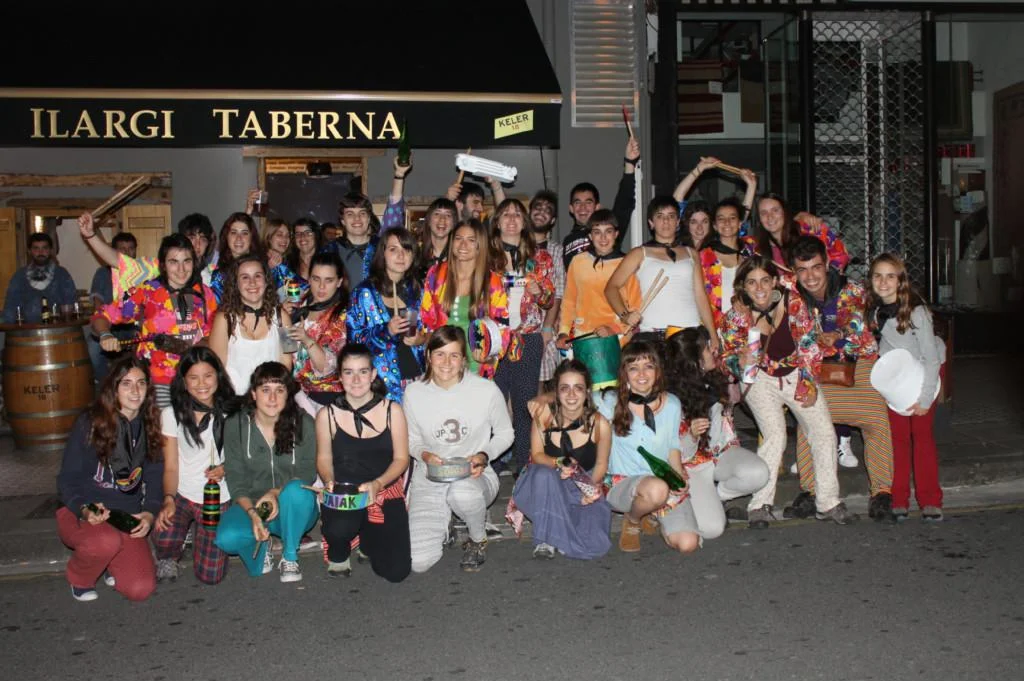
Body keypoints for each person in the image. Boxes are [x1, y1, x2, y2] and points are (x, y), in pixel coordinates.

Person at [719, 256, 857, 528]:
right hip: (759, 378)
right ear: (742, 286)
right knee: (775, 435)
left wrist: (808, 383)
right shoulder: (735, 316)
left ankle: (828, 502)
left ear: (775, 281)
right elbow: (726, 359)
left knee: (823, 432)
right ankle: (760, 505)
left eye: (765, 280)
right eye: (751, 282)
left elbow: (809, 346)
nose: (759, 288)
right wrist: (739, 361)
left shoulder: (794, 303)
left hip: (796, 372)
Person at [787, 236, 895, 522]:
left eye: (816, 267)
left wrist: (839, 334)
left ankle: (882, 493)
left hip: (857, 363)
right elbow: (799, 339)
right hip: (817, 366)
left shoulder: (851, 289)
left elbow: (857, 321)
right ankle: (810, 492)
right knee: (807, 417)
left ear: (827, 265)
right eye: (802, 270)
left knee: (877, 420)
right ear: (795, 271)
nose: (810, 277)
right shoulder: (793, 299)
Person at [403, 326, 514, 573]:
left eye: (454, 355)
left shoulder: (486, 390)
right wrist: (423, 454)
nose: (446, 363)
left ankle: (477, 539)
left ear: (464, 359)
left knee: (461, 493)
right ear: (428, 356)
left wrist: (484, 455)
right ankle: (445, 523)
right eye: (440, 354)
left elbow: (506, 434)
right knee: (418, 562)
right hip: (430, 476)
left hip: (473, 475)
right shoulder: (414, 392)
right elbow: (410, 439)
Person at [55, 357, 163, 602]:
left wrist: (149, 513)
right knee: (104, 541)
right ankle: (80, 577)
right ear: (113, 388)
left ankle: (108, 561)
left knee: (140, 589)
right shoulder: (90, 422)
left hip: (124, 515)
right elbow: (67, 479)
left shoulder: (149, 424)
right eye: (126, 383)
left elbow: (156, 476)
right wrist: (84, 508)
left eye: (141, 383)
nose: (135, 391)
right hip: (83, 508)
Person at [216, 362, 319, 582]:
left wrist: (275, 493)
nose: (272, 398)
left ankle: (290, 555)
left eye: (279, 390)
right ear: (253, 394)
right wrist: (254, 515)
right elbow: (235, 477)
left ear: (288, 394)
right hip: (254, 504)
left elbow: (307, 471)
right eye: (265, 390)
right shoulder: (236, 424)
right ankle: (263, 545)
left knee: (297, 490)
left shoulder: (303, 423)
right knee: (227, 538)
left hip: (292, 506)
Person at [592, 340, 697, 554]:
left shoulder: (672, 404)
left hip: (662, 481)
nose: (641, 374)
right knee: (656, 489)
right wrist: (544, 399)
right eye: (633, 368)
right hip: (622, 484)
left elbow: (673, 446)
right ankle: (633, 520)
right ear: (624, 373)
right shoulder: (609, 401)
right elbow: (570, 398)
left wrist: (679, 476)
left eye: (648, 366)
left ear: (657, 371)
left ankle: (652, 511)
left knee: (688, 544)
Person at [316, 344, 411, 581]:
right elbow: (324, 458)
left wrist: (378, 483)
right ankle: (339, 552)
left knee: (396, 572)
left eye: (363, 371)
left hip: (384, 489)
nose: (356, 379)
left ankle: (367, 540)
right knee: (340, 528)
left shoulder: (393, 410)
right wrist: (329, 481)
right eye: (349, 372)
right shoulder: (327, 414)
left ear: (373, 374)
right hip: (345, 493)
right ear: (340, 377)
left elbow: (402, 459)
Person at [664, 327, 769, 539]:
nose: (713, 349)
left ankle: (716, 496)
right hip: (691, 465)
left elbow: (739, 374)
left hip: (721, 453)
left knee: (758, 473)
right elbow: (676, 454)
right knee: (711, 529)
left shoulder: (714, 376)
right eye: (706, 348)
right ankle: (672, 503)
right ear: (695, 360)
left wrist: (743, 364)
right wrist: (692, 435)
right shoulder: (670, 398)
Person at [92, 233, 218, 408]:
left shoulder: (205, 294)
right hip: (158, 381)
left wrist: (202, 344)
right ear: (163, 265)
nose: (181, 269)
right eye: (173, 262)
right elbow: (102, 315)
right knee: (162, 424)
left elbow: (215, 334)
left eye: (186, 261)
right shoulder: (147, 292)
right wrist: (105, 335)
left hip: (196, 381)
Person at [868, 253, 946, 522]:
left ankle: (930, 500)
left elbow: (931, 358)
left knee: (921, 436)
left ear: (900, 280)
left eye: (890, 276)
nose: (883, 282)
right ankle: (899, 499)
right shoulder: (875, 311)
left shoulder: (916, 311)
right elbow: (885, 349)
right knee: (898, 438)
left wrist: (925, 398)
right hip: (900, 378)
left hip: (926, 372)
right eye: (878, 276)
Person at [510, 360, 612, 560]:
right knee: (544, 475)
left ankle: (560, 530)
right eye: (565, 388)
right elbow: (537, 455)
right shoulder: (544, 415)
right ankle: (545, 538)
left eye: (578, 388)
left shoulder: (600, 424)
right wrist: (558, 463)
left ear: (587, 392)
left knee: (594, 544)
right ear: (556, 392)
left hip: (580, 485)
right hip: (544, 486)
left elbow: (601, 464)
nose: (571, 395)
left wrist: (587, 489)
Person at [152, 347, 236, 584]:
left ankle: (201, 534)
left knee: (210, 576)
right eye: (193, 377)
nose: (202, 384)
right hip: (183, 492)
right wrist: (168, 498)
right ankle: (168, 554)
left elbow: (244, 457)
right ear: (184, 381)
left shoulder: (233, 412)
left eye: (208, 375)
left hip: (217, 496)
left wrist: (226, 467)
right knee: (164, 531)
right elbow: (171, 466)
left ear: (218, 376)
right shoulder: (171, 414)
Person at [490, 198, 556, 473]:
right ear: (497, 221)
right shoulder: (485, 256)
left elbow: (550, 299)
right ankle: (490, 467)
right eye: (505, 214)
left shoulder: (540, 258)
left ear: (524, 222)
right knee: (492, 405)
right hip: (493, 339)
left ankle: (525, 468)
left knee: (524, 406)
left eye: (517, 214)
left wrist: (541, 294)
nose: (511, 219)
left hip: (528, 339)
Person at [604, 197, 718, 348]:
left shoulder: (691, 253)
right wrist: (625, 315)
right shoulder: (639, 253)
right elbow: (611, 287)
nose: (666, 221)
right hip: (654, 334)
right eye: (660, 216)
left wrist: (713, 335)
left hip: (691, 332)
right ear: (651, 223)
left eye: (671, 216)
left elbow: (700, 295)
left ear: (678, 222)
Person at [419, 219, 510, 379]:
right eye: (458, 238)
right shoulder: (436, 273)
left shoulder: (492, 281)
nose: (463, 245)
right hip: (441, 365)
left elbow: (502, 329)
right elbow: (426, 318)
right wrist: (429, 348)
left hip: (476, 366)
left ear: (480, 245)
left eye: (471, 240)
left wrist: (489, 357)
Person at [346, 228, 426, 403]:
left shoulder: (417, 290)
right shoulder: (364, 293)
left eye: (406, 249)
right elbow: (354, 342)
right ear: (382, 253)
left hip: (419, 380)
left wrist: (421, 339)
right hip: (383, 385)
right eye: (393, 249)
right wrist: (385, 331)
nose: (401, 255)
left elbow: (433, 330)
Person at [78, 211, 218, 302]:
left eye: (203, 239)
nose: (197, 244)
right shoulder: (157, 268)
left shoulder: (215, 275)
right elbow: (118, 261)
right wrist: (90, 235)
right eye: (192, 237)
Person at [209, 255, 292, 395]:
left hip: (270, 401)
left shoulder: (283, 317)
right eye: (245, 277)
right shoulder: (223, 319)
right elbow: (217, 367)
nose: (252, 282)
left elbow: (287, 364)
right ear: (236, 284)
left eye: (257, 276)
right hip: (233, 400)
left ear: (266, 281)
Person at [557, 210, 641, 347]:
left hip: (618, 338)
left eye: (608, 231)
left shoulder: (626, 264)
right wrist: (563, 332)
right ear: (590, 236)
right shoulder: (578, 261)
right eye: (597, 232)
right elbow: (569, 300)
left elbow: (635, 307)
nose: (603, 238)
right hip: (583, 336)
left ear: (616, 234)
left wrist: (613, 329)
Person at [325, 158, 409, 289]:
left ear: (369, 218)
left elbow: (394, 212)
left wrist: (399, 175)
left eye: (362, 213)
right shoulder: (330, 250)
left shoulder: (382, 247)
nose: (357, 218)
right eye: (350, 214)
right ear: (342, 221)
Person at [561, 136, 641, 269]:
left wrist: (629, 163)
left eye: (588, 202)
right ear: (571, 208)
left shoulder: (608, 230)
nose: (582, 207)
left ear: (597, 207)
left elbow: (624, 202)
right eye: (577, 203)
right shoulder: (567, 241)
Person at [287, 252, 349, 415]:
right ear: (309, 278)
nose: (321, 287)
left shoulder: (342, 315)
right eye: (316, 279)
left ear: (339, 282)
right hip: (294, 394)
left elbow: (327, 367)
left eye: (329, 280)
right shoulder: (298, 301)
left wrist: (307, 340)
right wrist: (281, 316)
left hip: (327, 397)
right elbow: (283, 346)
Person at [672, 156, 758, 250]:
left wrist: (751, 185)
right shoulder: (678, 245)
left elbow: (741, 218)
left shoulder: (717, 247)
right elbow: (675, 202)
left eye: (705, 221)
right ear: (687, 224)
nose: (699, 227)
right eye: (693, 222)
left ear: (713, 225)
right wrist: (699, 169)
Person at [699, 197, 759, 329]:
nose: (727, 222)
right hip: (714, 329)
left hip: (749, 326)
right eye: (721, 219)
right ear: (714, 225)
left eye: (732, 218)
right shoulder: (704, 257)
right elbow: (699, 298)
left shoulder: (751, 251)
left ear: (740, 223)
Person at [87, 231, 138, 382]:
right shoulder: (102, 273)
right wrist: (105, 331)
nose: (127, 253)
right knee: (93, 347)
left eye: (131, 248)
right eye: (122, 249)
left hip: (135, 326)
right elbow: (98, 303)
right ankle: (105, 383)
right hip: (110, 325)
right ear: (113, 251)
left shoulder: (143, 272)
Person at [753, 193, 849, 272]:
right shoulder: (756, 248)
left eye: (775, 210)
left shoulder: (809, 230)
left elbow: (841, 254)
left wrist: (827, 276)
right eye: (764, 213)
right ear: (759, 219)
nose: (770, 217)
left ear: (784, 212)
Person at [528, 190, 566, 387]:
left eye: (547, 210)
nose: (541, 212)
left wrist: (548, 328)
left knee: (539, 384)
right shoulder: (516, 246)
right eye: (538, 207)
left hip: (543, 325)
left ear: (552, 220)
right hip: (515, 326)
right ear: (529, 212)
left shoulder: (556, 251)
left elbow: (559, 291)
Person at [2, 232, 77, 323]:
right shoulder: (19, 276)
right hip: (26, 329)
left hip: (57, 327)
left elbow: (71, 304)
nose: (41, 252)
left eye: (44, 248)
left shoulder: (62, 274)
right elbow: (10, 308)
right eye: (36, 248)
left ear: (50, 250)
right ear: (29, 251)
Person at [210, 212, 264, 302]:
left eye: (244, 233)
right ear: (226, 237)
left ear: (252, 237)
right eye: (234, 232)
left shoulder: (265, 268)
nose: (239, 238)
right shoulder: (219, 276)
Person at [416, 197, 457, 279]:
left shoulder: (458, 257)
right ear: (429, 221)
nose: (442, 219)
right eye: (437, 214)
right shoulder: (416, 255)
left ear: (453, 223)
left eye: (448, 215)